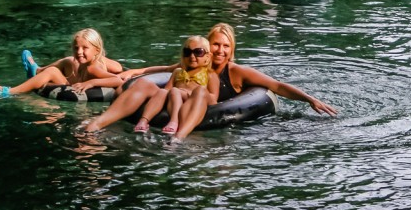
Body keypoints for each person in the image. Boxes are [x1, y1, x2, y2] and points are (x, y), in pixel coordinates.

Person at [82, 22, 337, 136]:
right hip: (180, 105)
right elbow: (167, 69)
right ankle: (97, 123)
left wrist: (309, 99)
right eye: (215, 45)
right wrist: (135, 72)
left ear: (232, 49)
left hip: (216, 118)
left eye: (225, 46)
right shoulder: (194, 64)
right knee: (148, 85)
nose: (220, 51)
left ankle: (178, 137)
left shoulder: (235, 72)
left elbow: (276, 85)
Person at [0, 28, 122, 98]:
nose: (79, 51)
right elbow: (118, 68)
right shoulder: (97, 59)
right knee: (69, 60)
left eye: (85, 48)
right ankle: (37, 70)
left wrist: (91, 82)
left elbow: (117, 80)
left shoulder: (93, 68)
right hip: (76, 80)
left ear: (96, 49)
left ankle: (9, 92)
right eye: (76, 48)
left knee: (52, 72)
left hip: (73, 88)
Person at [133, 35, 220, 137]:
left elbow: (213, 99)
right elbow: (167, 90)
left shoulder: (209, 74)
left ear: (208, 56)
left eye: (198, 52)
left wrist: (193, 94)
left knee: (175, 91)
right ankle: (144, 120)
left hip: (192, 102)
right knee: (165, 91)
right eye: (188, 52)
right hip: (175, 101)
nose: (192, 56)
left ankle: (175, 121)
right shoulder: (177, 72)